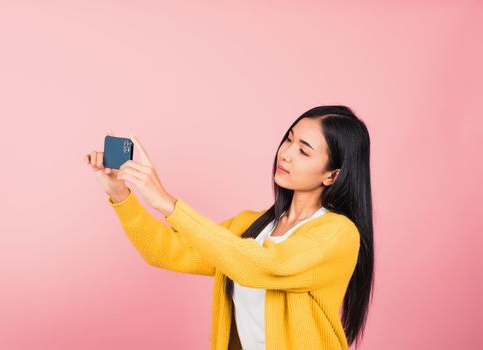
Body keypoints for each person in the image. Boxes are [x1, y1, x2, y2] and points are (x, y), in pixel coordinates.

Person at [83, 105, 374, 350]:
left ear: (332, 175)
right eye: (288, 139)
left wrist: (169, 204)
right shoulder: (252, 225)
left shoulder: (337, 233)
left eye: (304, 151)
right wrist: (120, 194)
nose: (285, 154)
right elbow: (167, 251)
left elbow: (257, 266)